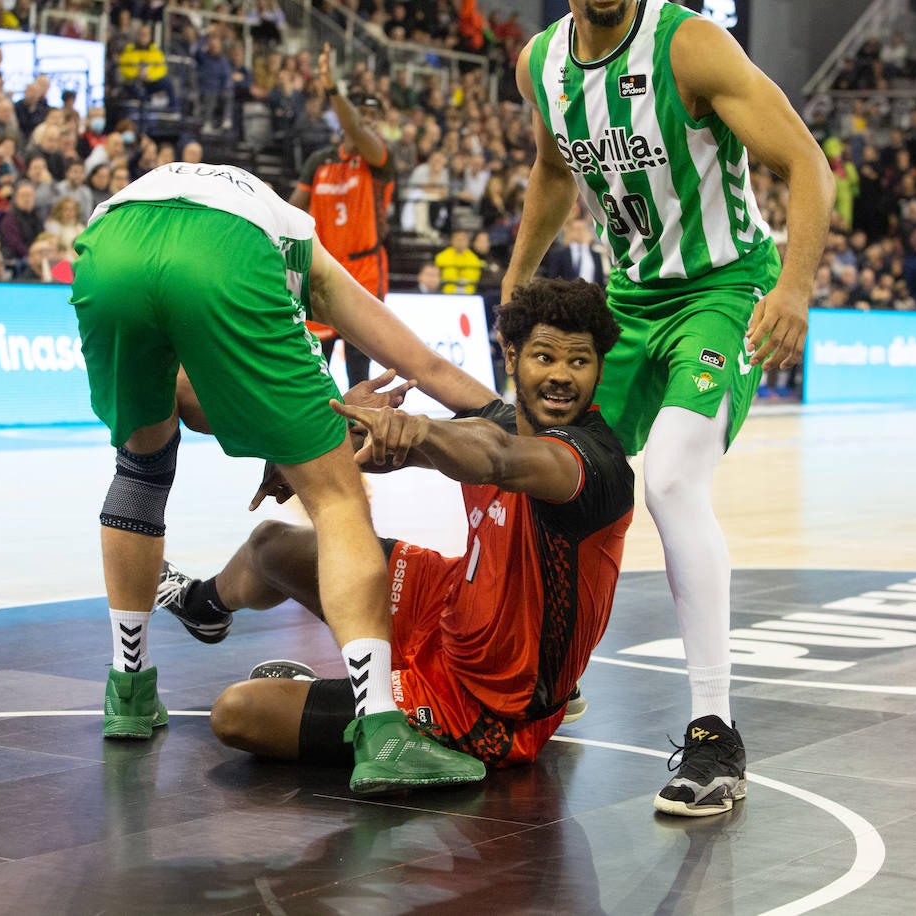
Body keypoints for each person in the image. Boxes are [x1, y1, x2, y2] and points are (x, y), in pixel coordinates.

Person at [502, 0, 833, 817]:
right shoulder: (539, 64)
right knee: (545, 473)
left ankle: (714, 730)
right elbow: (551, 170)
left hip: (723, 289)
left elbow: (807, 163)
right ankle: (552, 678)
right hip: (627, 301)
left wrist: (792, 288)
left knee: (674, 484)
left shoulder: (692, 47)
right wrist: (517, 277)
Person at [70, 161, 488, 796]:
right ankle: (381, 730)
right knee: (338, 499)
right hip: (224, 249)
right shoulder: (304, 251)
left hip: (107, 248)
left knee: (141, 466)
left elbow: (187, 392)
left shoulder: (164, 206)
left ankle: (128, 692)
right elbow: (424, 363)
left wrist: (286, 436)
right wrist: (498, 414)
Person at [159, 278, 635, 769]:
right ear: (511, 358)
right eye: (545, 358)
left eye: (579, 362)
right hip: (448, 603)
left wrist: (423, 428)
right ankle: (204, 606)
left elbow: (498, 458)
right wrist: (316, 442)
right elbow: (421, 369)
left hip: (485, 708)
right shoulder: (502, 417)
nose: (561, 376)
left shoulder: (591, 465)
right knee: (271, 546)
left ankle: (350, 692)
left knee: (237, 713)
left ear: (599, 368)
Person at [290, 44, 394, 389]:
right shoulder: (319, 161)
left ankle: (360, 430)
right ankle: (317, 429)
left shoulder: (378, 158)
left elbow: (356, 129)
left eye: (372, 116)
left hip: (365, 269)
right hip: (324, 266)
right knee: (314, 358)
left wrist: (332, 88)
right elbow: (293, 208)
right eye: (360, 112)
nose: (365, 119)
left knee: (357, 362)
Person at [543, 217, 605, 286]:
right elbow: (553, 280)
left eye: (583, 229)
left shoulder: (596, 255)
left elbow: (600, 281)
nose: (580, 232)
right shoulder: (559, 255)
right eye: (577, 229)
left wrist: (585, 246)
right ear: (570, 232)